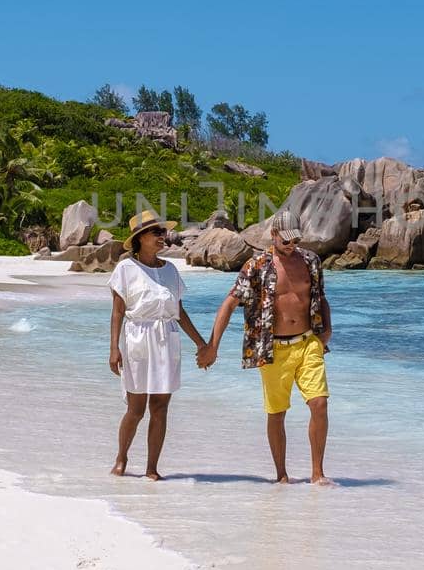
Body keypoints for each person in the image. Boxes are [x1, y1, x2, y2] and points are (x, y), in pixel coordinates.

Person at [205, 208, 334, 485]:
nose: (291, 245)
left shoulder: (311, 261)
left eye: (295, 240)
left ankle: (317, 474)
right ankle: (282, 476)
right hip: (272, 348)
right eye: (285, 240)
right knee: (277, 413)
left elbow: (321, 297)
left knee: (320, 404)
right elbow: (229, 303)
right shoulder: (257, 266)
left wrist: (327, 331)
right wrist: (212, 346)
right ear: (273, 235)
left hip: (308, 342)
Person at [108, 209, 213, 480]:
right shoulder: (125, 269)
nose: (163, 237)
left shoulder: (170, 270)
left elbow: (179, 310)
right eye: (157, 232)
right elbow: (117, 312)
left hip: (167, 338)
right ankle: (122, 456)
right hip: (138, 339)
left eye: (163, 232)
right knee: (136, 408)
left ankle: (152, 467)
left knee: (160, 407)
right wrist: (113, 348)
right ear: (141, 237)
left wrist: (202, 344)